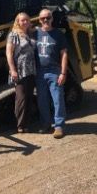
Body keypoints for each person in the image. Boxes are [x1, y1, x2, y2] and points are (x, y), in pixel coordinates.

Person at [35, 8, 68, 139]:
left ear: (52, 19)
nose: (46, 20)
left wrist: (63, 73)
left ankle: (59, 126)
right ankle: (46, 124)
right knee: (42, 100)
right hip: (39, 72)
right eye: (43, 18)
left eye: (48, 17)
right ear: (39, 20)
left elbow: (64, 54)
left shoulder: (58, 34)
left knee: (57, 99)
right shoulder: (35, 33)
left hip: (54, 71)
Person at [6, 12, 36, 133]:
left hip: (31, 69)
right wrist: (13, 70)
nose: (24, 22)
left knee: (29, 96)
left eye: (27, 20)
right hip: (20, 70)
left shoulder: (29, 34)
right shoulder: (13, 35)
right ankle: (20, 125)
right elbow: (9, 53)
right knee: (21, 98)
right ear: (17, 22)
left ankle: (26, 123)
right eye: (22, 20)